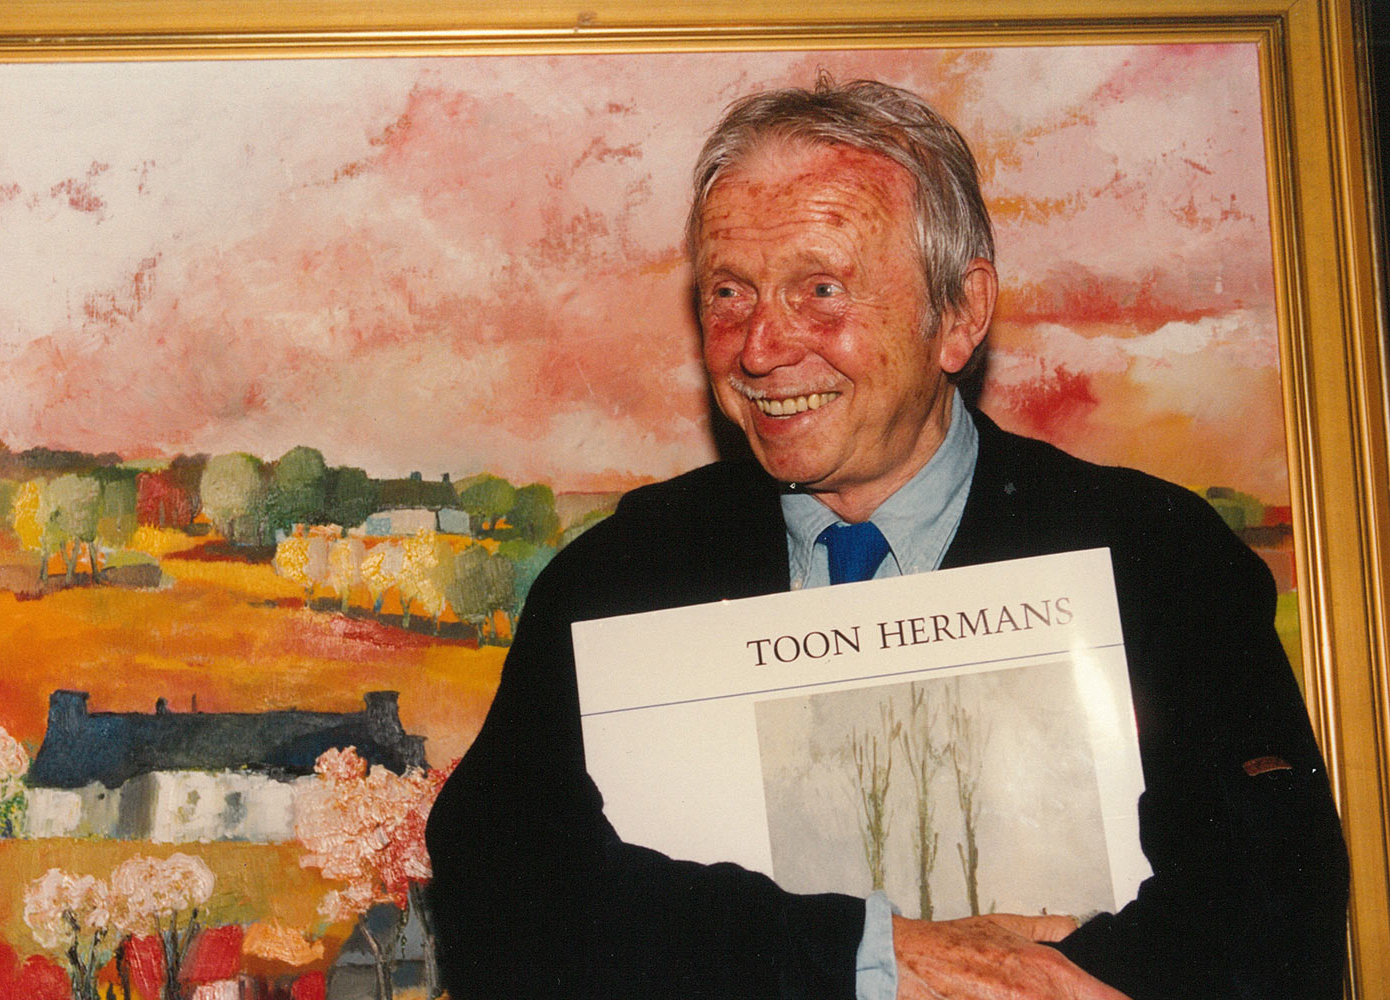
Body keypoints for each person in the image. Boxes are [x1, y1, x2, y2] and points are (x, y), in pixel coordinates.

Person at [425, 78, 1348, 1000]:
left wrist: (1008, 979)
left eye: (821, 290)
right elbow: (499, 887)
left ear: (959, 314)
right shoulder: (616, 579)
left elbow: (1273, 906)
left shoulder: (1158, 558)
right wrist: (870, 956)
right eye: (729, 292)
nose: (759, 348)